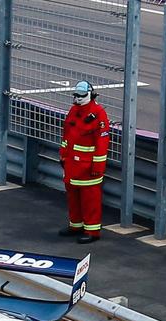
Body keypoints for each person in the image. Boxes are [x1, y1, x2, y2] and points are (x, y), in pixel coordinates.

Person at [58, 81, 110, 245]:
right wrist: (63, 155)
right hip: (72, 165)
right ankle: (76, 225)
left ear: (90, 96)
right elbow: (66, 135)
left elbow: (102, 143)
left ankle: (92, 230)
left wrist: (98, 167)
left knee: (90, 199)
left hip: (88, 167)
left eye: (81, 96)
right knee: (73, 196)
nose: (78, 99)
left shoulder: (98, 114)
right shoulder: (74, 110)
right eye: (76, 96)